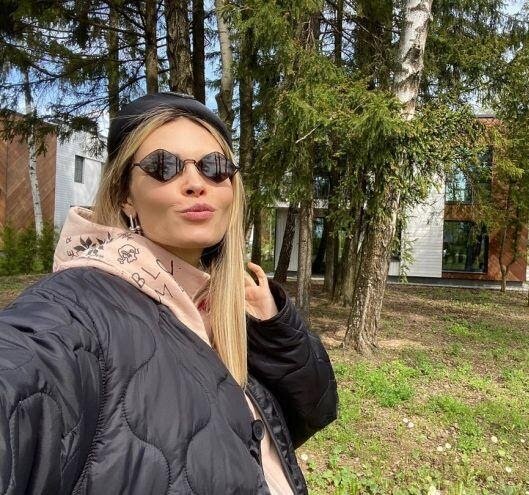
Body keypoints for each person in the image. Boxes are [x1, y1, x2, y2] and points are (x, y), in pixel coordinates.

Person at [0, 92, 338, 494]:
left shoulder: (217, 299)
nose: (196, 184)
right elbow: (25, 373)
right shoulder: (77, 305)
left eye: (215, 167)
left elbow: (314, 410)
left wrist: (271, 326)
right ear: (125, 195)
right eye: (164, 166)